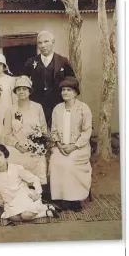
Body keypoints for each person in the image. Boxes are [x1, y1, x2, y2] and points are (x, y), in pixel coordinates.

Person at [0, 144, 59, 222]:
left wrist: (37, 193)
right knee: (15, 218)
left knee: (26, 215)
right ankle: (46, 210)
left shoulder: (16, 168)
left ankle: (44, 209)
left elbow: (35, 179)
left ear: (6, 157)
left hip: (23, 196)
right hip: (10, 201)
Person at [49, 76, 92, 212]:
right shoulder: (57, 109)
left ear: (75, 92)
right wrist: (59, 145)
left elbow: (87, 131)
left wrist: (74, 146)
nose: (65, 93)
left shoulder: (83, 108)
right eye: (63, 90)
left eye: (68, 90)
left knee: (70, 164)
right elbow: (53, 130)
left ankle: (75, 199)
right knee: (55, 161)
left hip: (79, 147)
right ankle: (61, 199)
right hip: (60, 147)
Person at [3, 76, 49, 190]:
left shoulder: (38, 107)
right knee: (12, 158)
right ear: (15, 92)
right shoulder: (10, 110)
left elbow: (44, 129)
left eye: (24, 89)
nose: (21, 92)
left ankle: (37, 192)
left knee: (38, 159)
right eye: (18, 89)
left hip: (34, 147)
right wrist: (17, 145)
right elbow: (6, 133)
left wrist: (35, 144)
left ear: (29, 91)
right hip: (16, 147)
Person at [24, 31, 75, 127]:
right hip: (37, 104)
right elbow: (24, 82)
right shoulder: (31, 62)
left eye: (46, 41)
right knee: (38, 132)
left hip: (58, 103)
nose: (43, 45)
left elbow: (72, 81)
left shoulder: (63, 61)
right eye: (40, 43)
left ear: (53, 42)